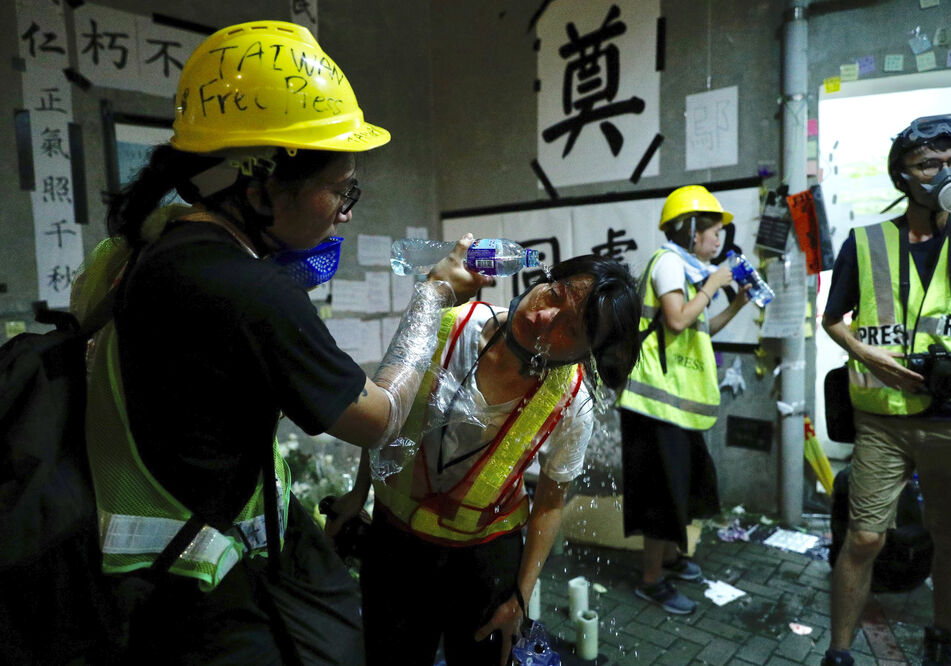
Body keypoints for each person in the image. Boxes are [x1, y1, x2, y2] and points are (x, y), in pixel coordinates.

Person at [69, 21, 489, 665]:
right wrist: (432, 299)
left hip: (146, 564)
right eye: (340, 189)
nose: (347, 211)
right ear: (260, 186)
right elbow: (377, 419)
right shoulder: (250, 291)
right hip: (202, 583)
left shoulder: (163, 245)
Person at [326, 255, 641, 666]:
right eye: (554, 294)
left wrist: (520, 598)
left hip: (485, 559)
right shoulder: (445, 325)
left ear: (587, 352)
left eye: (572, 328)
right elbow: (388, 417)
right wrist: (357, 494)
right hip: (395, 541)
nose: (543, 317)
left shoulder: (572, 401)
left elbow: (550, 502)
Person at [821, 113, 951, 666]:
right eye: (928, 164)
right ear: (902, 174)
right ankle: (840, 651)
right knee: (865, 537)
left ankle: (941, 634)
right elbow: (833, 320)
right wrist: (865, 353)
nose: (945, 173)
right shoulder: (865, 242)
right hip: (884, 418)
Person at [616, 185, 751, 615]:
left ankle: (671, 559)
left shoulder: (686, 270)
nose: (718, 239)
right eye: (713, 231)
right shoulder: (670, 263)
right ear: (690, 230)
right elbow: (676, 320)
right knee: (662, 493)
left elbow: (699, 327)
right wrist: (712, 285)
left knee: (680, 487)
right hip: (653, 405)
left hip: (674, 404)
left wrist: (738, 302)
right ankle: (651, 581)